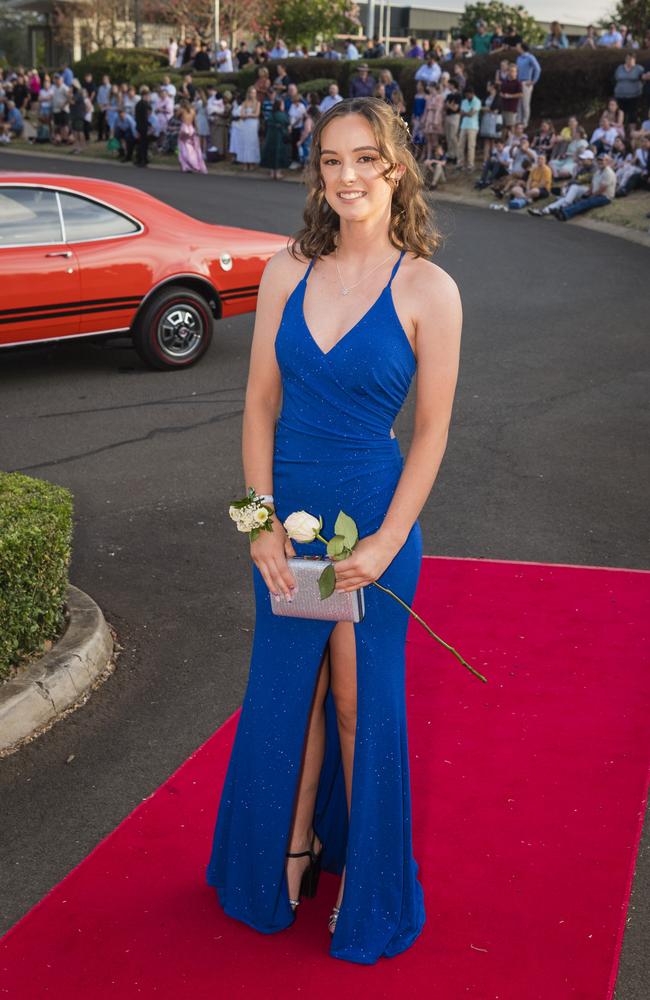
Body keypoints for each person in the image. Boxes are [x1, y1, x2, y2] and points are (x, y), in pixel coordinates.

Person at [205, 93, 462, 963]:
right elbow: (255, 410)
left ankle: (369, 878)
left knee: (360, 702)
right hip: (288, 524)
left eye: (364, 159)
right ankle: (289, 848)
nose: (346, 176)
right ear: (318, 174)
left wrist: (387, 541)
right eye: (330, 161)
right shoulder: (286, 270)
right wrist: (257, 525)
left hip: (374, 532)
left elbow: (430, 433)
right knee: (290, 693)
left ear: (396, 168)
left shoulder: (430, 288)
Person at [554, 152, 616, 220]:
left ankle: (564, 214)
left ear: (607, 162)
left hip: (605, 197)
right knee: (581, 199)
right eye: (599, 160)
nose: (600, 162)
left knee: (586, 202)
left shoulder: (608, 172)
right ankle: (562, 209)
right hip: (597, 194)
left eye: (602, 160)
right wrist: (588, 192)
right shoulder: (598, 171)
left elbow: (602, 189)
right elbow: (593, 183)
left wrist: (593, 195)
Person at [260, 96, 291, 179]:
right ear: (280, 105)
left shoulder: (271, 115)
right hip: (280, 138)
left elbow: (267, 124)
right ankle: (278, 173)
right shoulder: (282, 115)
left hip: (270, 137)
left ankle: (271, 172)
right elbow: (287, 124)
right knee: (279, 154)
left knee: (271, 153)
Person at [514, 42, 541, 128]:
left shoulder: (530, 57)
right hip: (518, 82)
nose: (516, 47)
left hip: (526, 82)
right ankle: (518, 121)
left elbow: (538, 69)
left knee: (525, 103)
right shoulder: (518, 58)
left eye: (518, 46)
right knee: (518, 103)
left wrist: (533, 81)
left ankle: (525, 122)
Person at [177, 99, 208, 173]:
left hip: (184, 128)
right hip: (191, 128)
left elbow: (176, 116)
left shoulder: (182, 110)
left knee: (183, 147)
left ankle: (187, 165)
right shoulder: (193, 110)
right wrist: (196, 130)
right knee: (192, 148)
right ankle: (194, 164)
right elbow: (195, 122)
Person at [456, 85, 482, 171]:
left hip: (473, 126)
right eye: (466, 95)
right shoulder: (464, 101)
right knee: (460, 145)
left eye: (468, 94)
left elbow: (471, 114)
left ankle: (470, 165)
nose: (467, 96)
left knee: (471, 146)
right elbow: (462, 113)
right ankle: (460, 163)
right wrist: (468, 113)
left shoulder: (477, 101)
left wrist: (466, 113)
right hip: (464, 125)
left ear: (472, 93)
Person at [134, 86, 152, 166]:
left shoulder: (138, 104)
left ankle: (140, 159)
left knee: (141, 143)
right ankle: (143, 160)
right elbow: (145, 117)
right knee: (143, 144)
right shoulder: (144, 105)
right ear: (145, 96)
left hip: (139, 126)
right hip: (144, 126)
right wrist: (149, 125)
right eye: (148, 96)